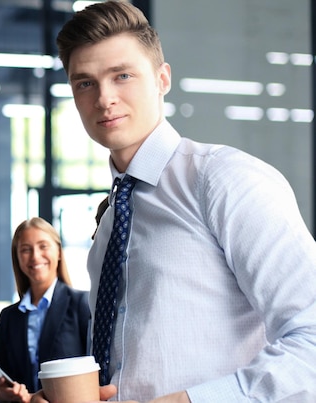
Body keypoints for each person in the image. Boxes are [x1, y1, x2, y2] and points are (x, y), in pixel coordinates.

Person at [32, 1, 316, 402]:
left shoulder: (223, 180)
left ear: (162, 79)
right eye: (85, 83)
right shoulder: (112, 215)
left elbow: (311, 341)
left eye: (123, 75)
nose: (104, 98)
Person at [0, 217, 91, 402]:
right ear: (17, 257)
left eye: (43, 246)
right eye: (26, 249)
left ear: (59, 252)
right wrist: (0, 394)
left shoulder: (81, 304)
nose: (35, 256)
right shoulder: (8, 317)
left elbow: (96, 377)